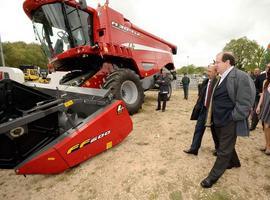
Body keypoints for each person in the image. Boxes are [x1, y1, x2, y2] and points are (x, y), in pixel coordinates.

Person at [200, 52, 255, 188]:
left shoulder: (241, 76)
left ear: (227, 62)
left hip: (229, 121)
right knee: (224, 144)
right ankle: (234, 162)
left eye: (218, 62)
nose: (215, 65)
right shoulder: (220, 78)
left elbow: (245, 102)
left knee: (223, 150)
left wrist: (233, 117)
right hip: (217, 119)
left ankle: (212, 177)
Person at [184, 65, 219, 155]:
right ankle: (194, 149)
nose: (208, 73)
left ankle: (218, 149)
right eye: (207, 71)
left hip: (213, 111)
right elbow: (201, 95)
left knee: (215, 131)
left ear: (216, 72)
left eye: (210, 71)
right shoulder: (205, 82)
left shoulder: (218, 83)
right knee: (198, 128)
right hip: (204, 109)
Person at [256, 63, 270, 155]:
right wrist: (258, 106)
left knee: (268, 126)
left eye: (269, 68)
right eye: (267, 67)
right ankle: (267, 145)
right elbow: (262, 95)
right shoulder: (265, 82)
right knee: (265, 127)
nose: (267, 69)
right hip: (266, 105)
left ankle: (268, 146)